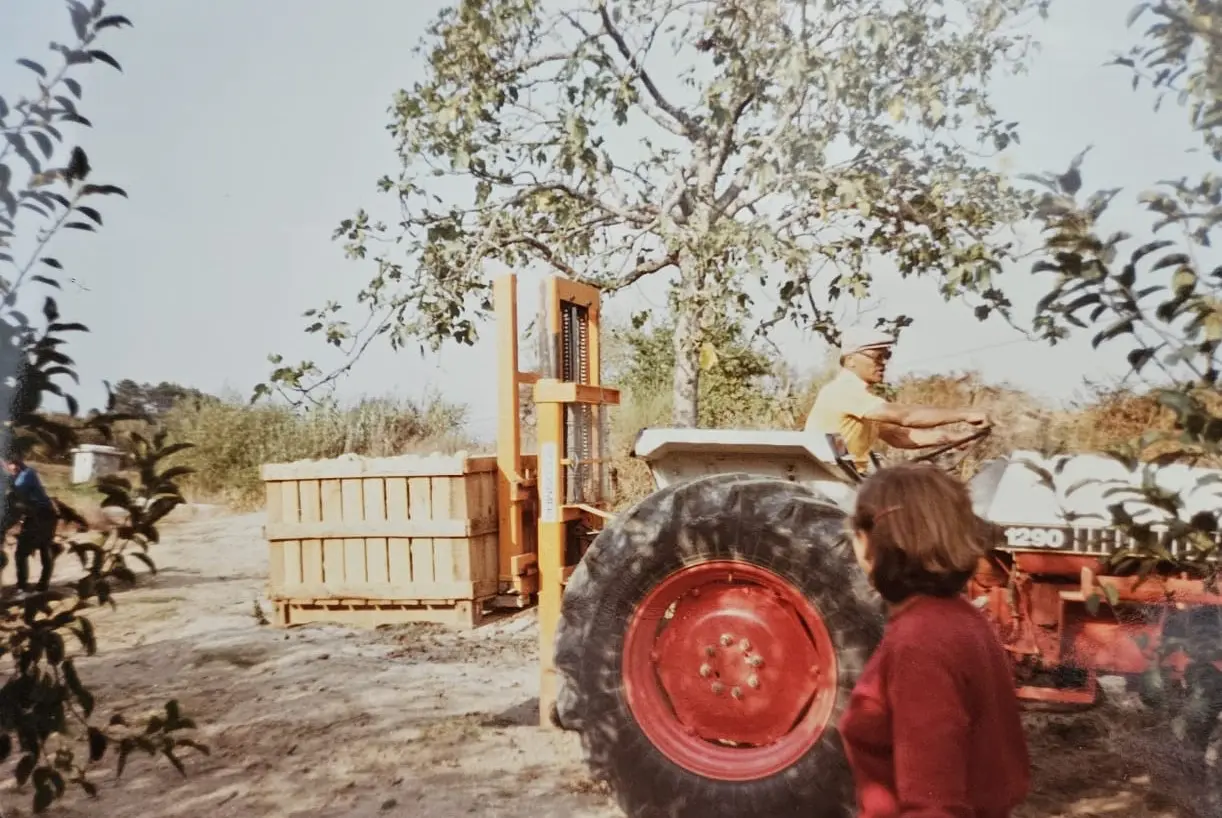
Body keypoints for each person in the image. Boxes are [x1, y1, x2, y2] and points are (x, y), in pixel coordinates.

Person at [839, 462, 1030, 818]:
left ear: (873, 541)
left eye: (856, 532)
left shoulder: (920, 642)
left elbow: (934, 805)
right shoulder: (962, 619)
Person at [805, 327, 991, 471]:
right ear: (851, 360)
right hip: (830, 480)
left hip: (850, 478)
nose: (883, 363)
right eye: (878, 356)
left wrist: (952, 438)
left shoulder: (863, 399)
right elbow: (906, 417)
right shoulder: (844, 391)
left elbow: (898, 436)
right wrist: (965, 414)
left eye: (887, 356)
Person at [2, 452, 59, 595]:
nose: (10, 468)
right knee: (42, 549)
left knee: (27, 552)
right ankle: (39, 586)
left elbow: (17, 490)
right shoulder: (21, 476)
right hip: (38, 515)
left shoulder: (27, 475)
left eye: (9, 465)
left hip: (43, 515)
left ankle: (25, 588)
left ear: (16, 463)